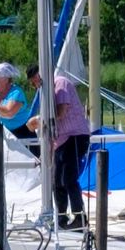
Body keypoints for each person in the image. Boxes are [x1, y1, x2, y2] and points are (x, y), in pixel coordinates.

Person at [46, 65, 92, 227]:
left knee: (69, 179)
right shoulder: (46, 93)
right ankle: (61, 217)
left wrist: (42, 120)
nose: (35, 83)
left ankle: (80, 218)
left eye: (36, 79)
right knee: (57, 181)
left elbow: (62, 111)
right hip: (61, 140)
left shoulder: (61, 83)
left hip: (76, 136)